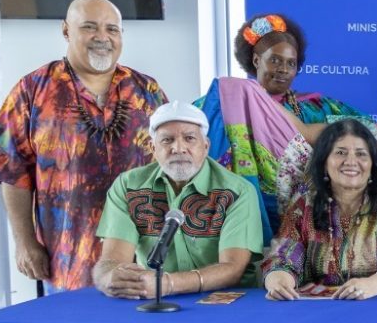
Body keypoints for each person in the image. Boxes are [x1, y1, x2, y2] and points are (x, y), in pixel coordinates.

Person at [0, 0, 165, 291]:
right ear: (66, 31)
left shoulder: (147, 90)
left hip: (140, 260)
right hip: (66, 261)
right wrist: (24, 242)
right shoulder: (34, 90)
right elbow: (11, 171)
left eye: (112, 29)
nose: (102, 37)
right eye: (90, 27)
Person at [198, 13, 367, 236]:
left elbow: (364, 133)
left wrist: (310, 132)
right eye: (275, 60)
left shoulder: (315, 106)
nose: (283, 69)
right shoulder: (226, 99)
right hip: (233, 217)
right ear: (257, 60)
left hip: (307, 218)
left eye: (291, 63)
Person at [93, 102, 263, 297]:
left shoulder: (238, 191)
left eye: (189, 138)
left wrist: (169, 284)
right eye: (167, 140)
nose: (178, 148)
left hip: (225, 301)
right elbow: (112, 261)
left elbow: (232, 268)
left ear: (205, 146)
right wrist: (109, 277)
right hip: (152, 298)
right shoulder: (127, 186)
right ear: (153, 148)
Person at [262, 119, 377, 299]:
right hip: (318, 314)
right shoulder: (304, 206)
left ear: (372, 165)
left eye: (361, 154)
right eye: (340, 152)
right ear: (324, 162)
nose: (351, 161)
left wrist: (371, 285)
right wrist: (279, 281)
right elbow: (282, 258)